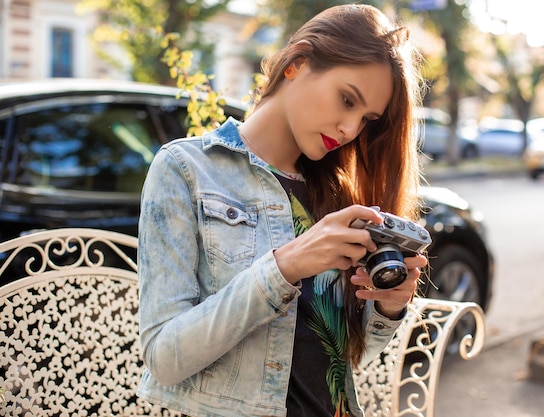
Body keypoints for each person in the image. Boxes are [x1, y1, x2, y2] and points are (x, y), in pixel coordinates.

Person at [136, 4, 428, 417]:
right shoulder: (186, 170)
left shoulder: (338, 195)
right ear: (297, 63)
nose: (350, 129)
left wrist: (388, 307)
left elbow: (341, 354)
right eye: (347, 100)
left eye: (366, 119)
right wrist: (284, 267)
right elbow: (164, 358)